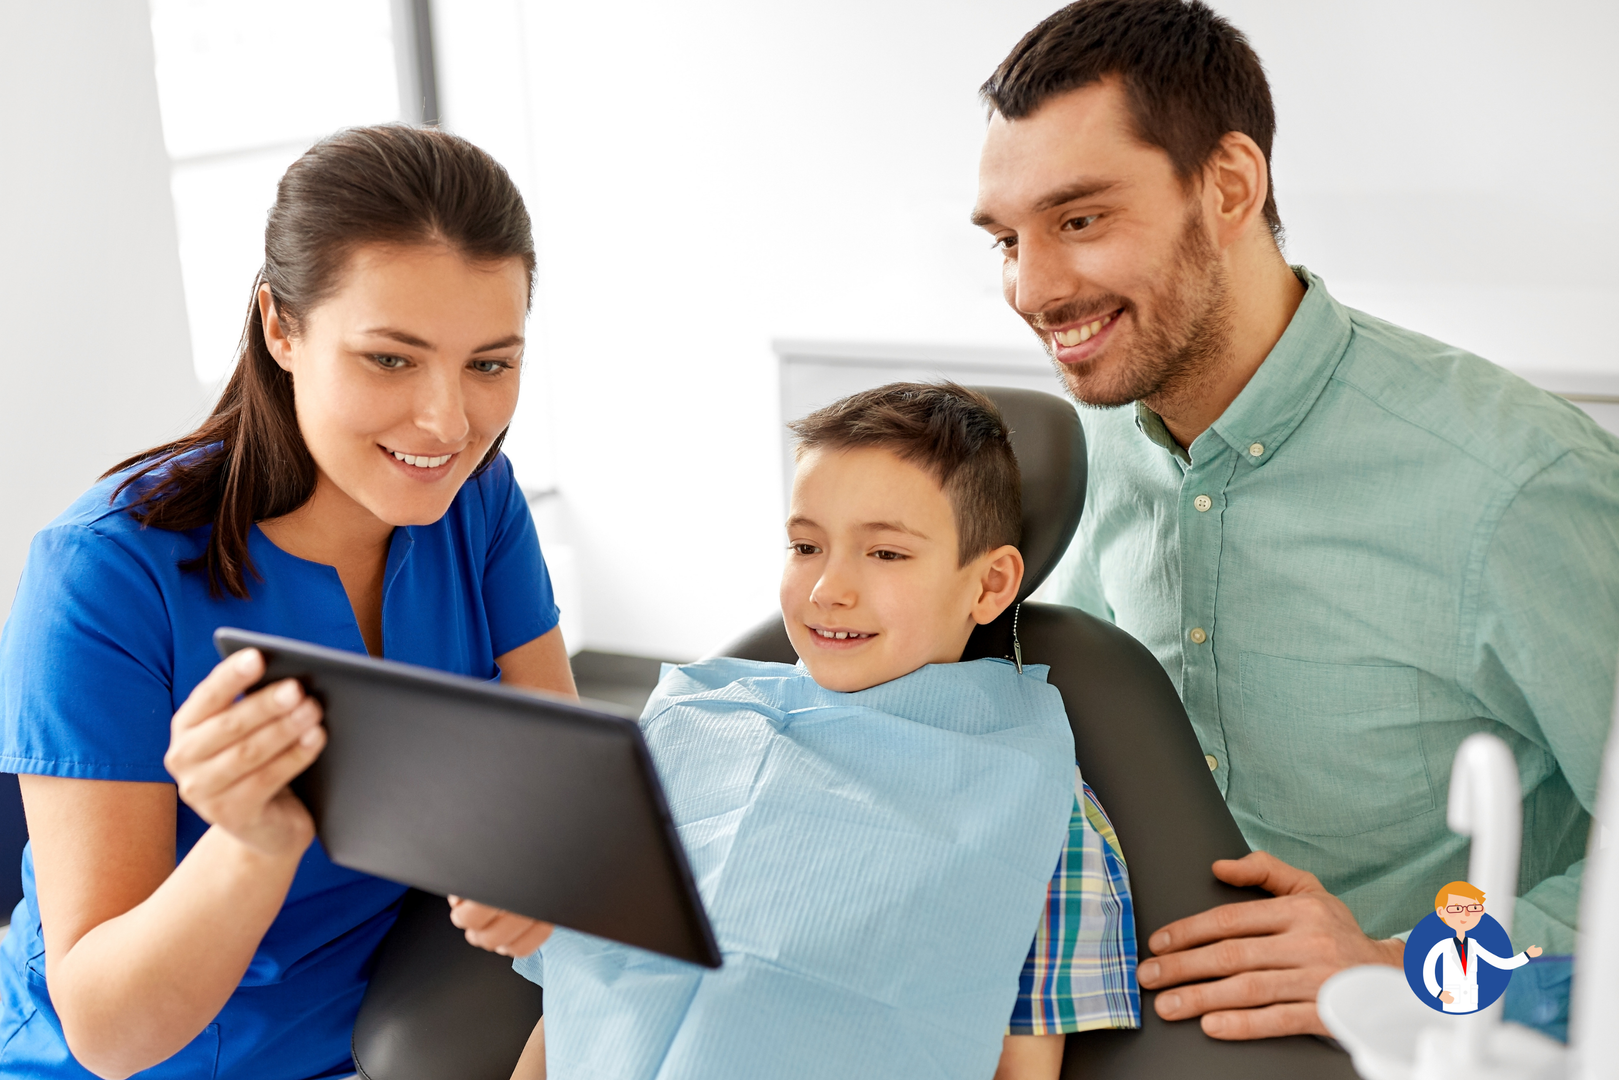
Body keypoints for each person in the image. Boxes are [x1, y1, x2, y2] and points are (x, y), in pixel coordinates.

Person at [970, 0, 1619, 1042]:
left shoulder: (1518, 483)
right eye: (1008, 238)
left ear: (1229, 185)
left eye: (1080, 219)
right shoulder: (1080, 462)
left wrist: (1399, 966)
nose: (1032, 287)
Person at [0, 125, 576, 1080]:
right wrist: (252, 844)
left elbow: (556, 783)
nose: (449, 422)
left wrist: (539, 864)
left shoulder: (477, 502)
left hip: (388, 1014)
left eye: (491, 364)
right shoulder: (103, 574)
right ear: (281, 326)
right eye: (391, 359)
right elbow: (110, 1035)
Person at [457, 383, 1140, 1080]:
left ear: (991, 584)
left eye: (886, 555)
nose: (827, 589)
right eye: (806, 545)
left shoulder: (1041, 804)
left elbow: (1023, 1062)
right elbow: (580, 994)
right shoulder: (689, 728)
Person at [1422, 881, 1542, 1014]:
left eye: (1473, 909)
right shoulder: (1439, 946)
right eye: (1456, 909)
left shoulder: (1475, 944)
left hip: (1473, 1004)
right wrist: (1439, 993)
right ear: (1441, 912)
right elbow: (1427, 971)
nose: (1465, 915)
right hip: (1447, 1004)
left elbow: (1500, 962)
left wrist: (1526, 955)